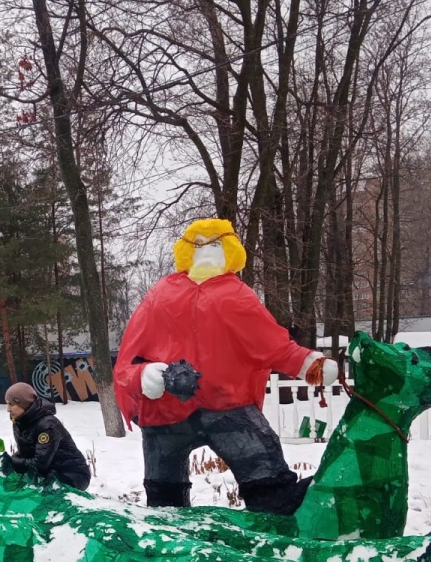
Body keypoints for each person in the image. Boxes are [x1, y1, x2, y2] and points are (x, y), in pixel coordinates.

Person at [113, 217, 338, 514]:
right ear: (186, 251)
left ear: (230, 249)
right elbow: (128, 358)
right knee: (164, 499)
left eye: (215, 244)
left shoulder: (237, 295)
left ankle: (278, 521)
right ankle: (169, 535)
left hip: (228, 407)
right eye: (199, 245)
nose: (206, 251)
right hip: (166, 411)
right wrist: (144, 376)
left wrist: (308, 364)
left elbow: (271, 343)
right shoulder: (160, 295)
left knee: (266, 478)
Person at [2, 382, 91, 491]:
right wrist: (6, 461)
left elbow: (39, 464)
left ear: (23, 404)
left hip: (71, 475)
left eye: (11, 404)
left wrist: (13, 462)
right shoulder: (19, 422)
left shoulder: (47, 425)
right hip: (49, 473)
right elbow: (25, 453)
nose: (8, 409)